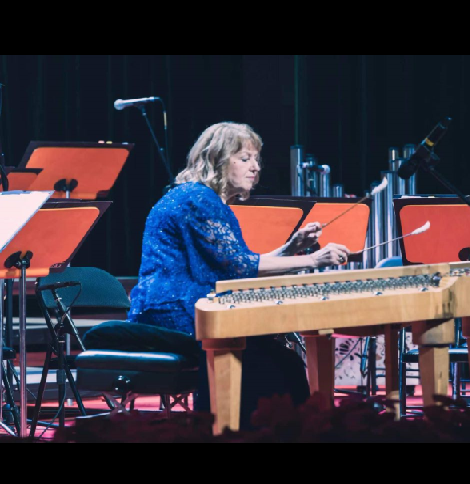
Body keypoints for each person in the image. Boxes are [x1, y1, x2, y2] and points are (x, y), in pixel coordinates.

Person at [108, 122, 350, 426]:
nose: (255, 168)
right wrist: (313, 260)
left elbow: (237, 265)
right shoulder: (196, 199)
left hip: (193, 304)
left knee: (283, 360)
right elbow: (240, 267)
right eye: (244, 158)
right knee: (271, 361)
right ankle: (239, 428)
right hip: (172, 310)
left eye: (256, 159)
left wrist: (292, 248)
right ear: (218, 161)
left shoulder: (208, 201)